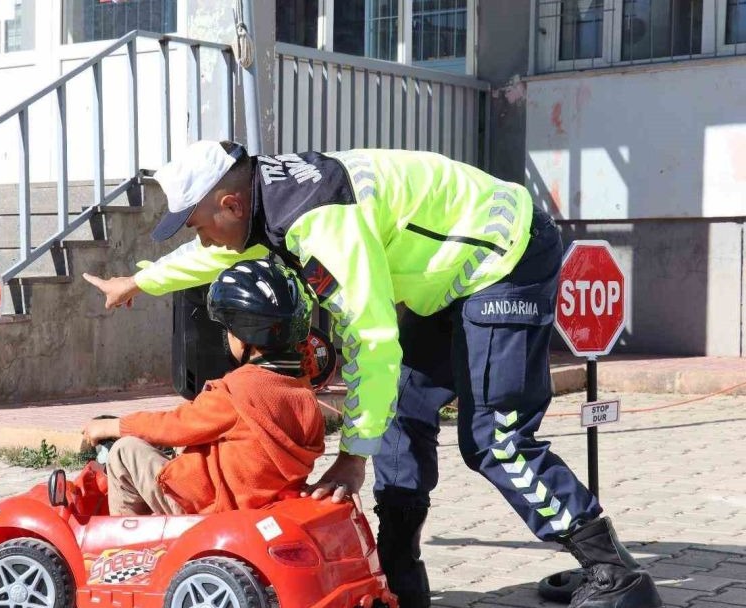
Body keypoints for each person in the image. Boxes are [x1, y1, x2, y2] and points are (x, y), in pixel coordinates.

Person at [82, 140, 662, 608]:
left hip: (504, 255)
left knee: (494, 437)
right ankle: (401, 574)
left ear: (230, 205)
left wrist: (353, 456)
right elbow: (220, 253)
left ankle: (615, 575)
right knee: (403, 412)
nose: (199, 236)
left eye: (196, 223)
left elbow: (372, 336)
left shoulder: (317, 223)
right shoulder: (264, 203)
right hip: (449, 278)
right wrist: (140, 281)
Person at [81, 260, 325, 516]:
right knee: (179, 447)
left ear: (242, 337)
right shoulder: (303, 393)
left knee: (124, 452)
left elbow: (175, 425)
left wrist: (113, 426)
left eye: (228, 329)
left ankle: (123, 537)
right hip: (258, 498)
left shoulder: (236, 392)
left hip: (209, 507)